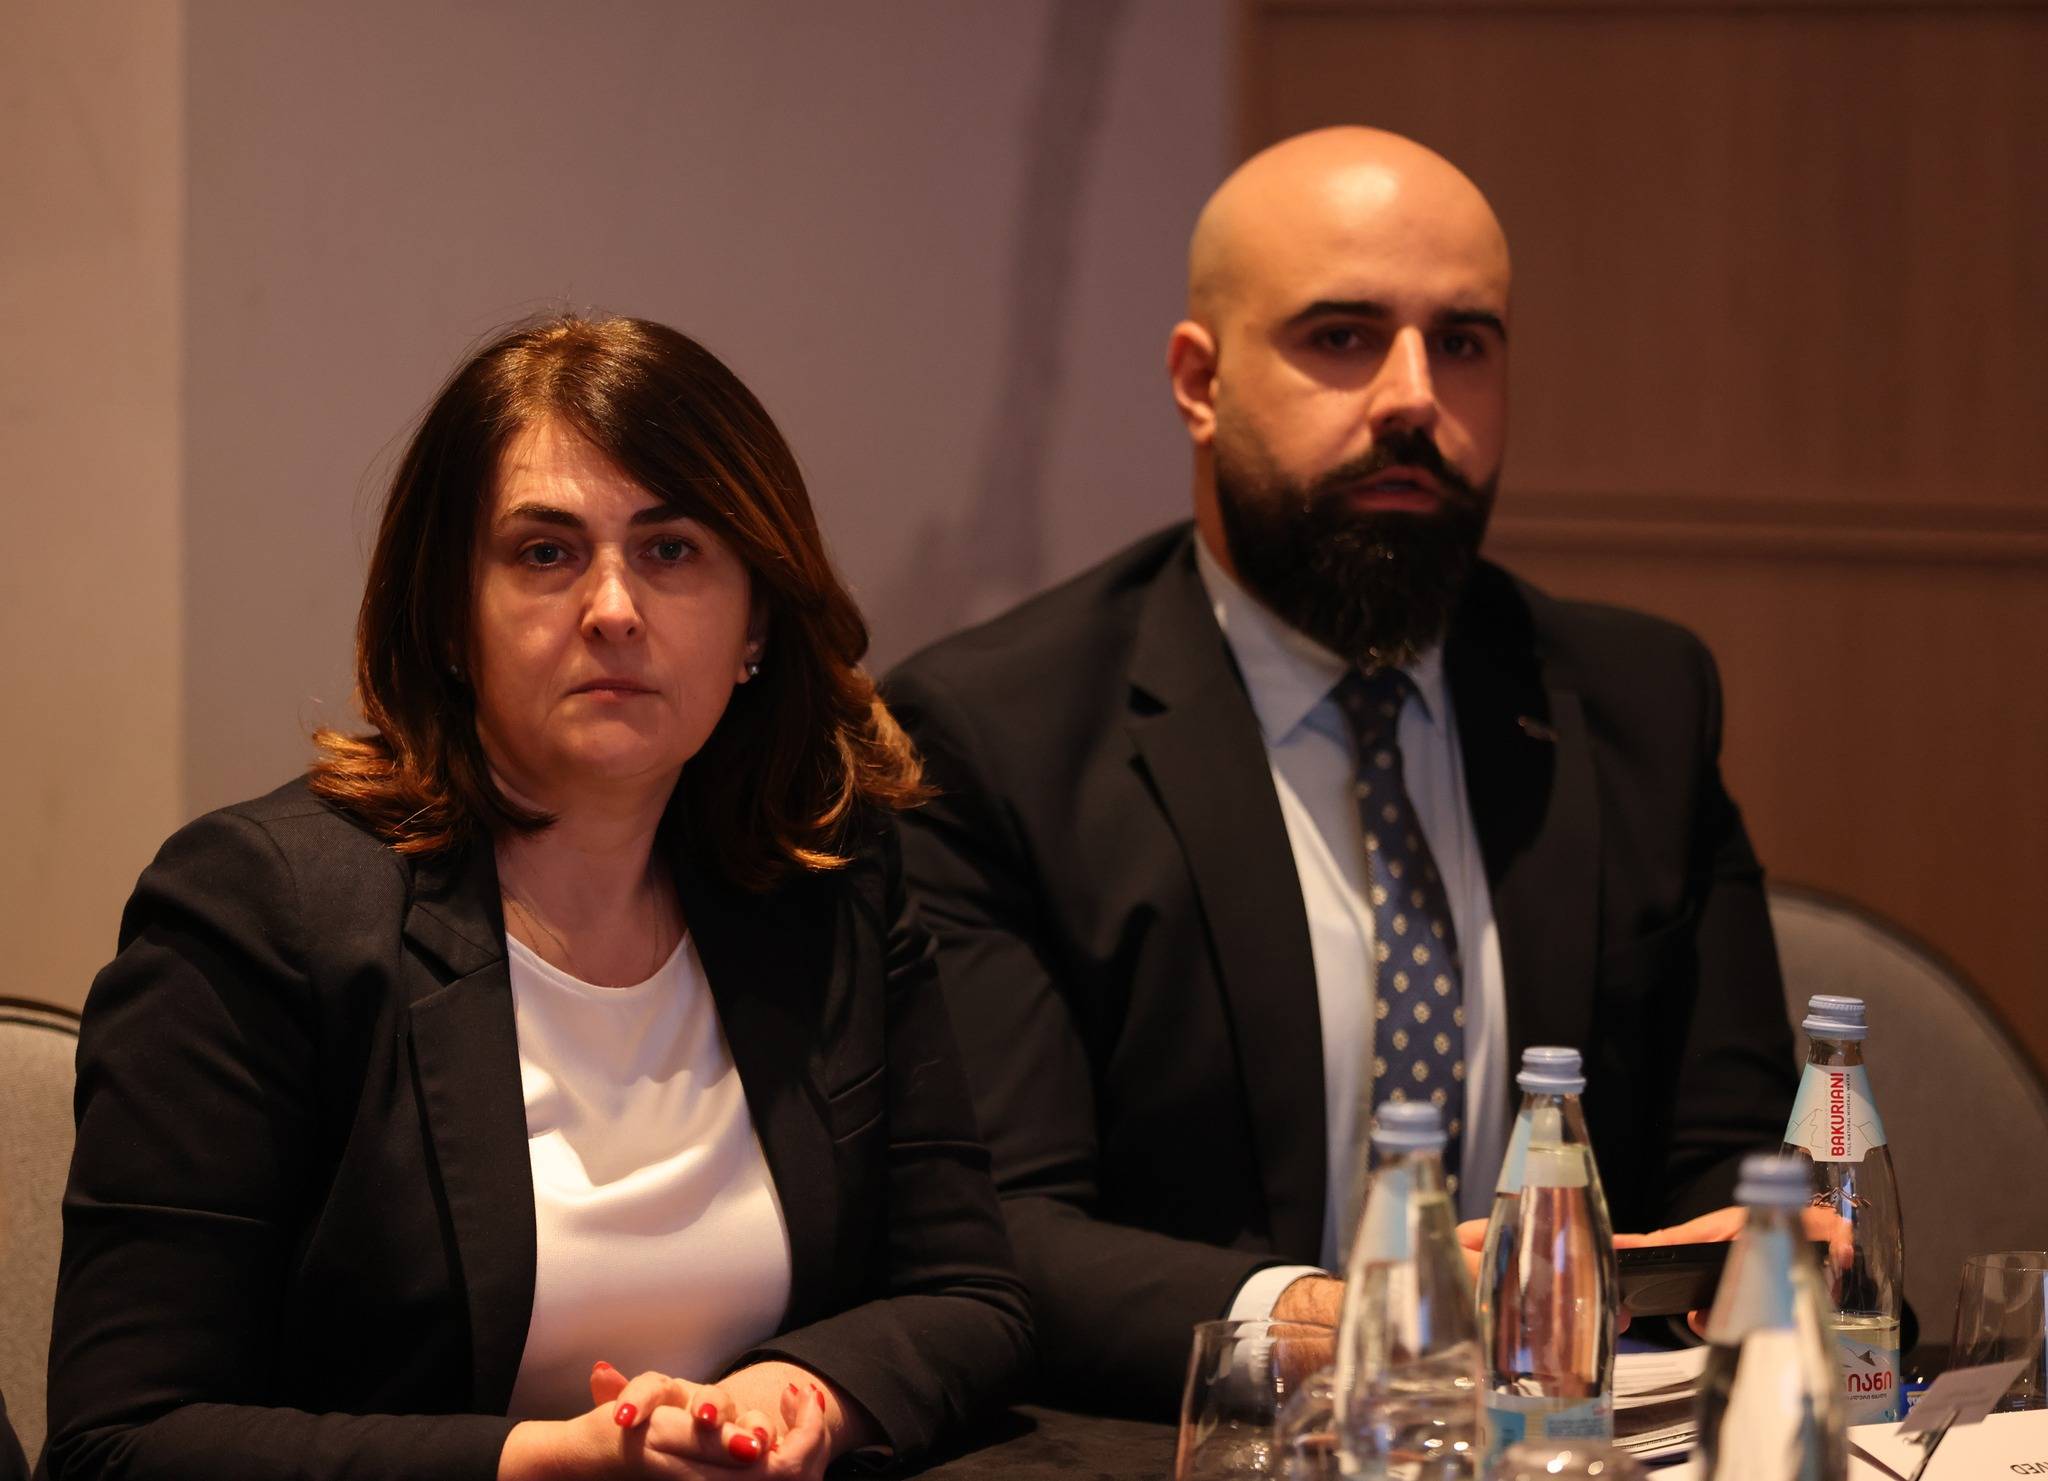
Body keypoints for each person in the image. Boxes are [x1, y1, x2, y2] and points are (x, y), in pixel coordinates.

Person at [883, 127, 1797, 1416]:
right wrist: (1348, 1318)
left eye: (1462, 342)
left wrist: (1755, 1243)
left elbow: (1725, 1156)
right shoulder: (997, 734)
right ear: (1198, 381)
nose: (1412, 398)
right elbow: (1000, 1232)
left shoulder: (1638, 703)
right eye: (1342, 337)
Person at [45, 316, 1031, 1480]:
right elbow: (122, 1439)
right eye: (546, 552)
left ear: (756, 621)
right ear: (448, 618)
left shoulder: (827, 877)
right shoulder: (258, 910)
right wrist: (550, 1460)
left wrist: (792, 1394)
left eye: (671, 549)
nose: (613, 606)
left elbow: (968, 1292)